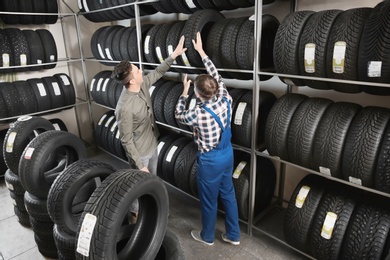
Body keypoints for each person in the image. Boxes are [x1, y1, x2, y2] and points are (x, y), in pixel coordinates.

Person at [175, 32, 240, 246]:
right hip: (227, 154)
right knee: (228, 193)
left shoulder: (198, 113)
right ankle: (233, 235)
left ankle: (208, 236)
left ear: (198, 94)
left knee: (209, 200)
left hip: (210, 160)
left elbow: (178, 115)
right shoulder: (225, 98)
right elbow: (216, 76)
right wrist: (202, 52)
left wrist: (184, 94)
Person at [111, 35, 186, 175]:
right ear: (132, 81)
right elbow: (126, 140)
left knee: (154, 182)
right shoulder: (124, 108)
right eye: (138, 71)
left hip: (152, 144)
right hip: (141, 155)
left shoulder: (141, 84)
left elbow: (158, 72)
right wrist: (139, 166)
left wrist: (174, 54)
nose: (141, 71)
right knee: (143, 189)